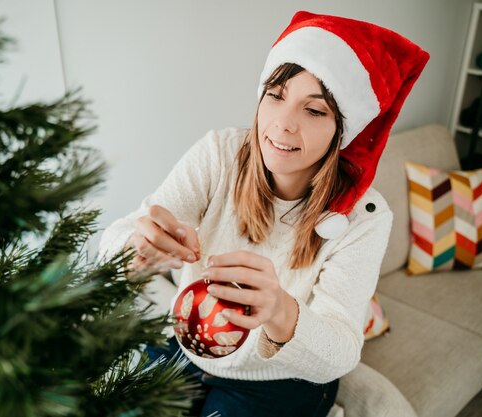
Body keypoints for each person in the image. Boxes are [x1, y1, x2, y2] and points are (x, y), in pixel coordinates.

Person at [98, 11, 429, 417]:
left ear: (343, 129)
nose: (282, 125)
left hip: (279, 380)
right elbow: (113, 247)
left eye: (314, 110)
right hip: (186, 346)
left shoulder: (365, 217)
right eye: (275, 95)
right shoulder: (219, 155)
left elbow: (342, 351)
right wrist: (138, 245)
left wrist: (278, 309)